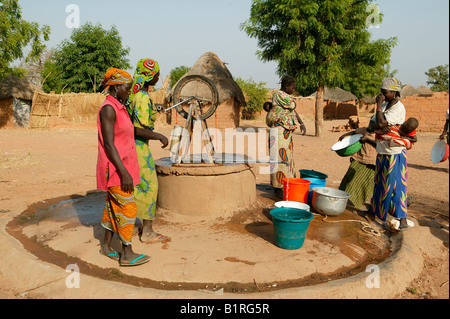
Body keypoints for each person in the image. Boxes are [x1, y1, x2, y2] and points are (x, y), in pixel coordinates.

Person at [97, 68, 150, 266]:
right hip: (116, 170)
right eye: (127, 88)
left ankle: (105, 246)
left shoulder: (118, 106)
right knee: (127, 208)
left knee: (112, 208)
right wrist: (124, 173)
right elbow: (109, 145)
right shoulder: (108, 109)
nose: (129, 91)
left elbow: (128, 132)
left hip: (122, 167)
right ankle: (127, 254)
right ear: (116, 86)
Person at [127, 58, 170, 244]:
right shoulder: (143, 98)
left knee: (136, 186)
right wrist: (160, 136)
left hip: (130, 147)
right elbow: (137, 128)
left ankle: (134, 226)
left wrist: (155, 109)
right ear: (150, 75)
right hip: (139, 148)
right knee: (150, 187)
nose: (159, 76)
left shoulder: (134, 95)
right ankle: (148, 232)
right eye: (157, 73)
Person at [366, 77, 411, 230]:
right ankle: (375, 211)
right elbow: (372, 124)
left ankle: (402, 218)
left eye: (384, 93)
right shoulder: (385, 106)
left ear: (394, 92)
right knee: (379, 183)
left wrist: (379, 111)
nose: (382, 95)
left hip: (395, 152)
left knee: (396, 186)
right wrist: (380, 124)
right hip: (382, 151)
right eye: (381, 93)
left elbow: (379, 123)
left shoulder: (398, 107)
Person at [265, 75, 306, 198]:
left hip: (285, 132)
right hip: (278, 130)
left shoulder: (285, 98)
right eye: (292, 87)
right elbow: (293, 105)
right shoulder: (279, 95)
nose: (294, 89)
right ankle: (278, 187)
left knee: (286, 157)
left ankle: (286, 184)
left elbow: (293, 110)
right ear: (286, 86)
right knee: (279, 157)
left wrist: (301, 122)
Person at [338, 127, 377, 210]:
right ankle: (344, 201)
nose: (371, 125)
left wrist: (367, 139)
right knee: (347, 181)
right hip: (358, 160)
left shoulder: (380, 135)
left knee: (359, 184)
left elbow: (380, 145)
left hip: (371, 164)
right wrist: (345, 135)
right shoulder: (364, 130)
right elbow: (354, 132)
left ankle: (352, 203)